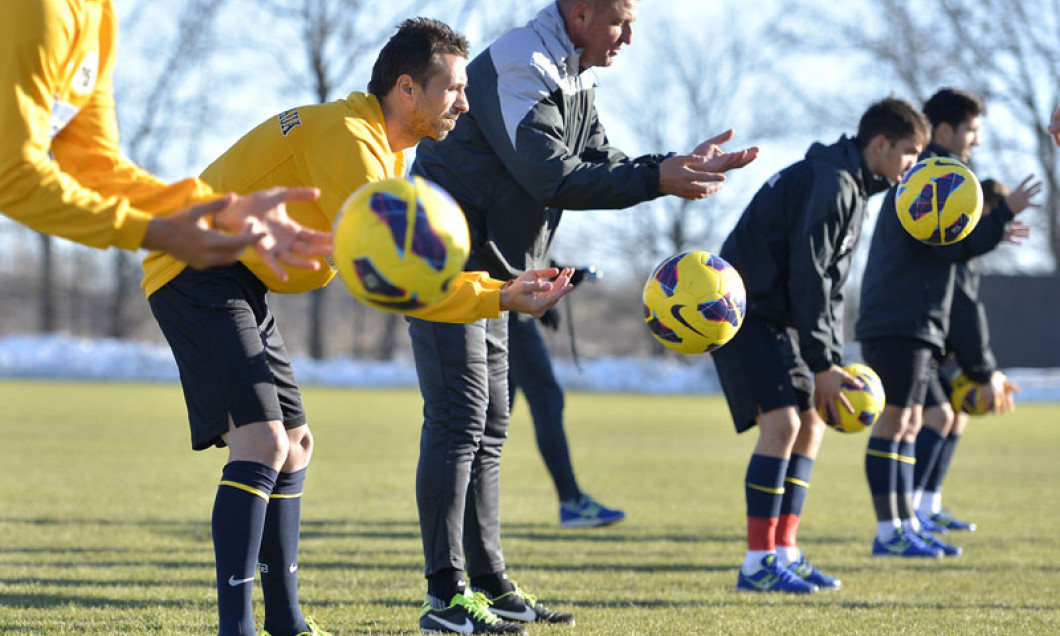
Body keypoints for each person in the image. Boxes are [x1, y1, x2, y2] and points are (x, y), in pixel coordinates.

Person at [144, 19, 573, 636]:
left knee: (296, 446)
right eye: (453, 88)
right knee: (264, 443)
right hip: (193, 269)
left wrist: (497, 292)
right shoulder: (351, 142)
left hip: (234, 279)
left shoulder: (376, 147)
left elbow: (399, 271)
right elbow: (405, 281)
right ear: (407, 88)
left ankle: (286, 621)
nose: (465, 101)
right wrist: (500, 295)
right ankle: (235, 628)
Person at [407, 0, 758, 632]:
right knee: (459, 422)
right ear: (578, 13)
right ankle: (446, 595)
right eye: (620, 21)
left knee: (489, 427)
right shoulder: (523, 62)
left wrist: (672, 166)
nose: (629, 36)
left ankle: (488, 583)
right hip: (442, 258)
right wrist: (659, 179)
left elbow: (598, 159)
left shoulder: (573, 71)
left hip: (496, 272)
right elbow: (551, 176)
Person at [711, 97, 929, 594]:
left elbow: (827, 290)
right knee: (785, 424)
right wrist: (824, 363)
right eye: (910, 154)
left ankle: (786, 552)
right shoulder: (831, 184)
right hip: (745, 315)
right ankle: (757, 562)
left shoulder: (849, 183)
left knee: (811, 424)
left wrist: (832, 359)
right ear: (880, 144)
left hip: (778, 319)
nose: (911, 167)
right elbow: (811, 280)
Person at [1, 0, 331, 279]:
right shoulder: (37, 10)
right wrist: (153, 233)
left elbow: (96, 169)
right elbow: (12, 175)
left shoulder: (97, 17)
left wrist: (220, 210)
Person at [855, 88, 1036, 560]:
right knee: (899, 422)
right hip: (901, 319)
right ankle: (892, 529)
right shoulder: (936, 176)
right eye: (970, 131)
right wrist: (999, 222)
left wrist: (992, 229)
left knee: (915, 419)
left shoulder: (941, 174)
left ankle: (906, 522)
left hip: (913, 320)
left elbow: (953, 249)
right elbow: (950, 246)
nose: (974, 141)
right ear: (945, 131)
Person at [913, 178, 1033, 534]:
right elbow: (963, 309)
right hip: (919, 339)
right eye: (996, 220)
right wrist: (985, 371)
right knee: (939, 416)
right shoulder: (955, 244)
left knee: (957, 415)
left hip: (944, 346)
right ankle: (909, 511)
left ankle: (927, 505)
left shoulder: (973, 251)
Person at [508, 266, 625, 528]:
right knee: (544, 398)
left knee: (495, 411)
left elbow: (515, 249)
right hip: (505, 310)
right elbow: (506, 252)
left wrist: (560, 273)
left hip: (498, 306)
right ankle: (571, 502)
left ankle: (463, 506)